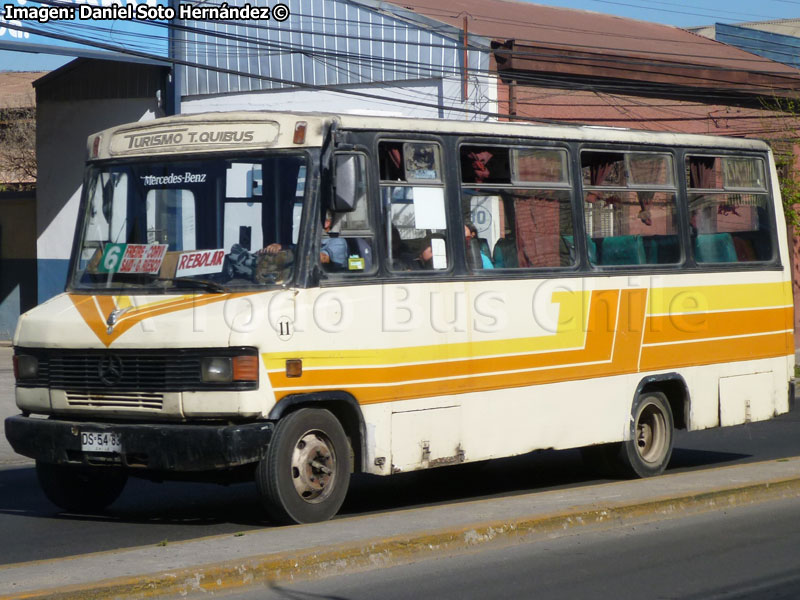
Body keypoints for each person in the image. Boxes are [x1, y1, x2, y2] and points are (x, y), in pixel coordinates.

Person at [262, 210, 348, 270]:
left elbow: (320, 258)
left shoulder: (338, 242)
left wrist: (286, 256)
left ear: (327, 223)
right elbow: (302, 248)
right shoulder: (315, 238)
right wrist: (280, 247)